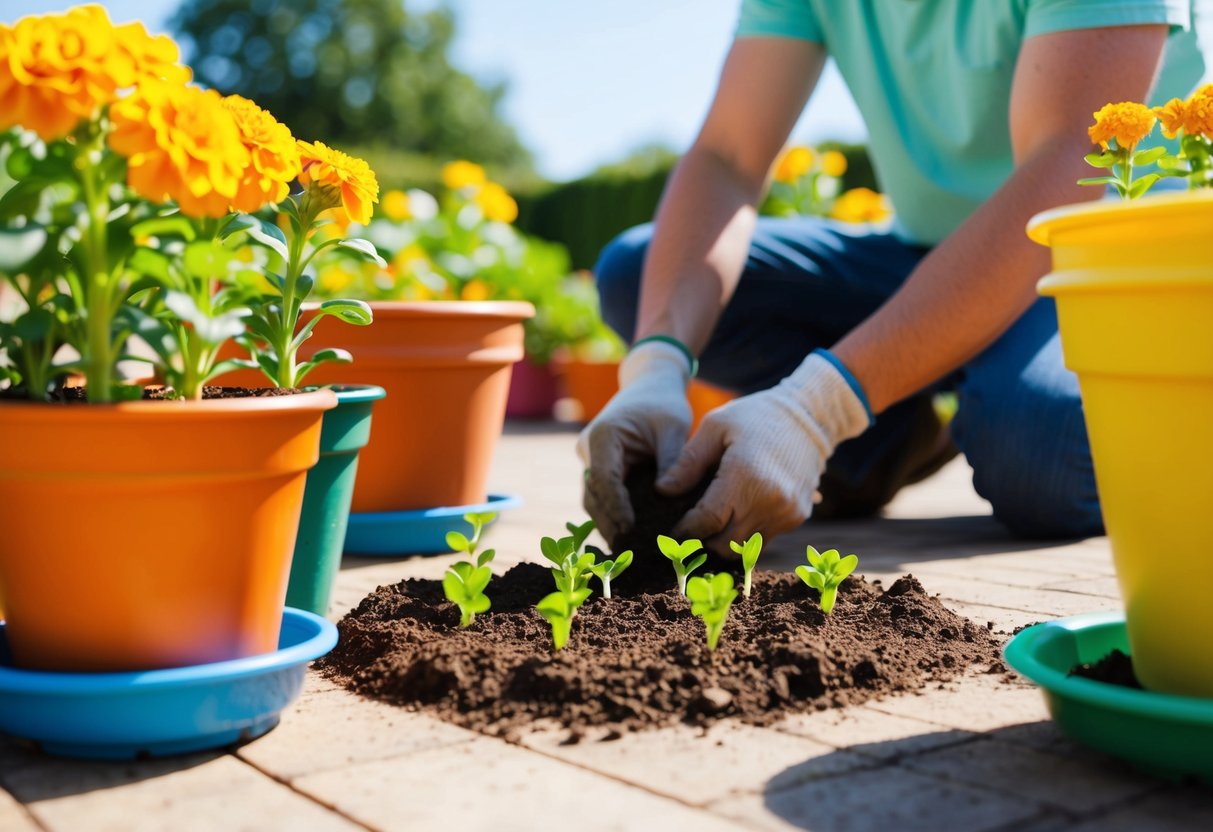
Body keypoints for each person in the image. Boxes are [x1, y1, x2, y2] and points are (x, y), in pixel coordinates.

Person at [578, 0, 1210, 554]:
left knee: (1038, 455)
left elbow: (1067, 162)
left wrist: (815, 408)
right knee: (640, 277)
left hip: (1092, 263)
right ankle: (887, 437)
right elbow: (727, 156)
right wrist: (656, 365)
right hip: (922, 253)